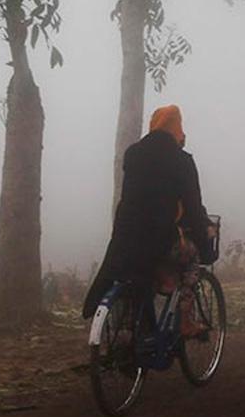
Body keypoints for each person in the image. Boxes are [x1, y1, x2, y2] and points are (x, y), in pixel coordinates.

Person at [82, 105, 212, 337]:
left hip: (125, 240)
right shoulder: (181, 160)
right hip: (159, 240)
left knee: (142, 270)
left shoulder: (133, 154)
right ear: (177, 127)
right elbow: (192, 206)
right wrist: (205, 236)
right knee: (192, 258)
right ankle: (185, 322)